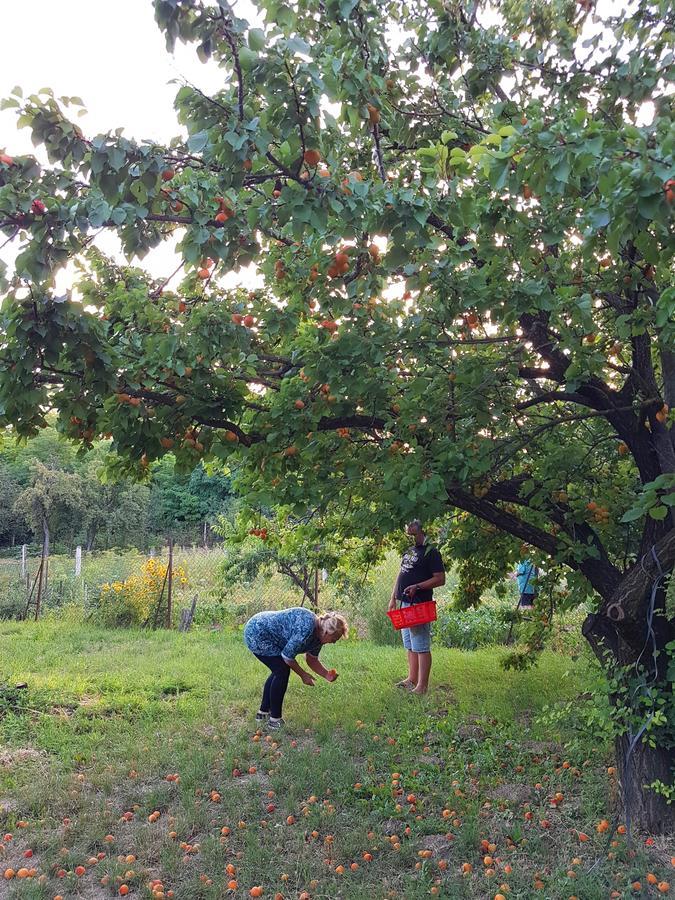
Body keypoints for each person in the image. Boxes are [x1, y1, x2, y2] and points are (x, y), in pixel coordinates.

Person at [243, 607, 348, 729]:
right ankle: (274, 720)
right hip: (257, 632)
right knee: (281, 670)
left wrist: (326, 675)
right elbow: (287, 656)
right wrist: (303, 675)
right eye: (334, 638)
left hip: (271, 637)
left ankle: (263, 714)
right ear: (327, 632)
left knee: (279, 670)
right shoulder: (306, 628)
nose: (334, 642)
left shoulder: (319, 637)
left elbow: (312, 660)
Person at [388, 520, 445, 695]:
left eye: (410, 523)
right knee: (409, 643)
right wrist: (393, 598)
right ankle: (412, 679)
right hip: (405, 602)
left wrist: (417, 587)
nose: (406, 526)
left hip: (419, 603)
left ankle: (422, 686)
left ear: (421, 528)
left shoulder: (431, 552)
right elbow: (401, 573)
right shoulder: (410, 550)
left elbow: (440, 579)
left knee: (420, 644)